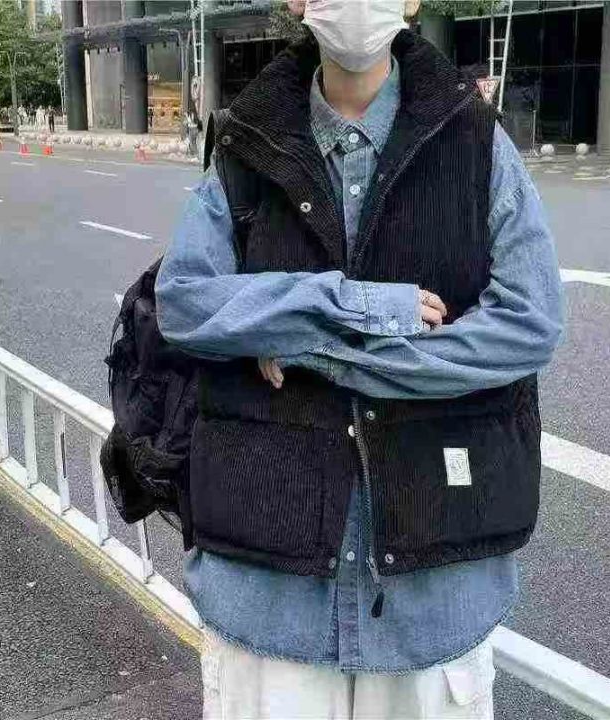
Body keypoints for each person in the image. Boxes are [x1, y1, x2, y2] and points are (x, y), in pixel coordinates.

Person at [155, 0, 566, 717]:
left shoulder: (474, 138)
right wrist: (348, 304)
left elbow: (529, 323)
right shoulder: (246, 139)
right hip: (267, 587)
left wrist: (320, 349)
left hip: (434, 588)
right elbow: (184, 302)